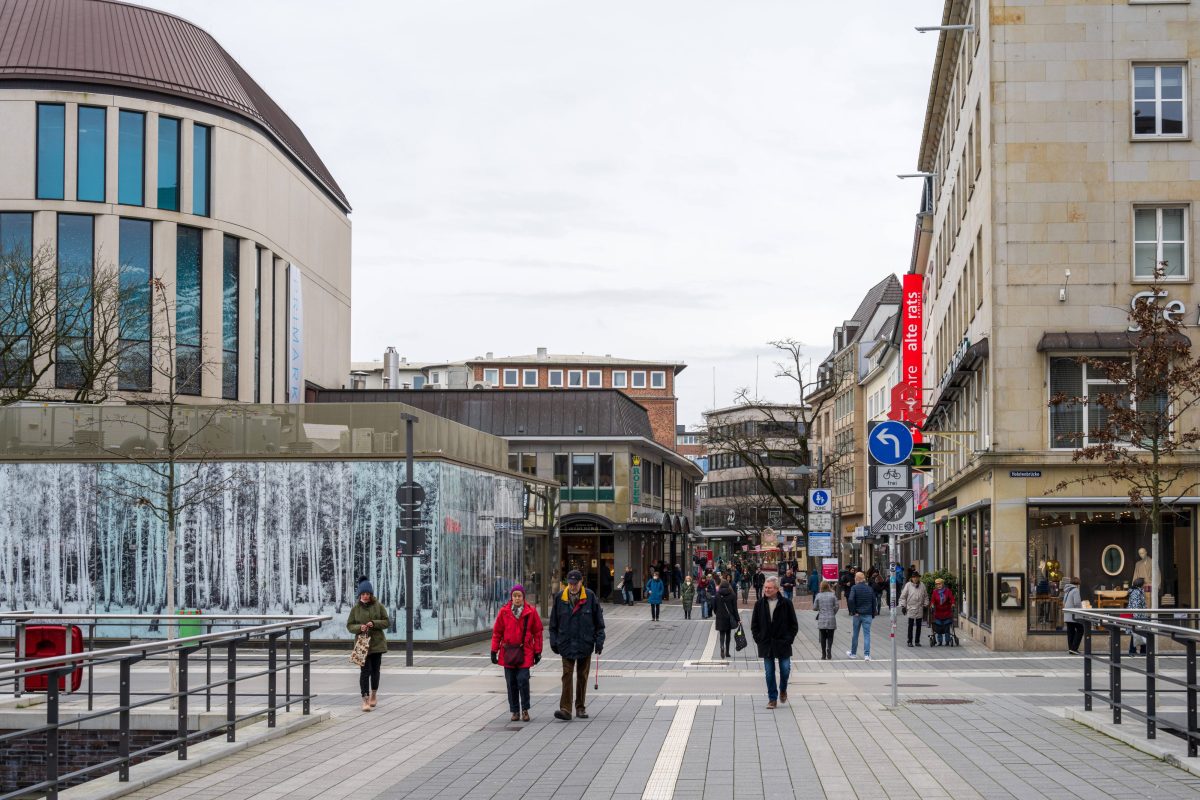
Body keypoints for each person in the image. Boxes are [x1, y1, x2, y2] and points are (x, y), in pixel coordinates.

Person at [549, 570, 606, 721]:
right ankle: (565, 709)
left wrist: (599, 641)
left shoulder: (590, 596)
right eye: (570, 583)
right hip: (566, 643)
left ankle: (580, 707)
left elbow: (599, 623)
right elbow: (553, 622)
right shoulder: (560, 597)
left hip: (584, 643)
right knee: (567, 675)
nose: (573, 586)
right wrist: (553, 641)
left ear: (581, 582)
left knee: (582, 675)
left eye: (575, 583)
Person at [490, 584, 543, 722]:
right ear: (511, 597)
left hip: (525, 651)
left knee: (523, 680)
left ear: (523, 597)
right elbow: (497, 632)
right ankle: (515, 711)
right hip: (508, 652)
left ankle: (525, 709)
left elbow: (537, 632)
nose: (517, 598)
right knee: (511, 682)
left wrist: (538, 651)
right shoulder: (504, 612)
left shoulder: (531, 612)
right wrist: (494, 650)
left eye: (519, 596)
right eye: (515, 596)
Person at [750, 576, 798, 709]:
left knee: (785, 670)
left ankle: (783, 689)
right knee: (769, 672)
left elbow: (793, 624)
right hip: (766, 643)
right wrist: (758, 638)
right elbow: (754, 625)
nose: (766, 589)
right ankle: (772, 699)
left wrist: (789, 639)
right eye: (765, 587)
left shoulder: (786, 603)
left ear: (776, 589)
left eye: (769, 588)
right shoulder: (759, 604)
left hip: (783, 643)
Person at [346, 577, 389, 712]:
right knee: (365, 672)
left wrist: (374, 623)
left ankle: (374, 694)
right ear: (360, 595)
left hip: (377, 644)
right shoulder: (355, 609)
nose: (365, 596)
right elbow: (350, 625)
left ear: (371, 595)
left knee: (375, 671)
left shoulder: (379, 606)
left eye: (367, 594)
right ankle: (364, 700)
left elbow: (387, 622)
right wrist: (360, 627)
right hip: (362, 644)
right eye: (363, 594)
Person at [846, 571, 878, 661]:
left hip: (857, 614)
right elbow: (873, 601)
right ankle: (867, 655)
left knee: (855, 634)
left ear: (857, 579)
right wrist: (873, 613)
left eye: (855, 578)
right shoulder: (869, 588)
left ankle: (853, 653)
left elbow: (851, 599)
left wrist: (853, 611)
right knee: (867, 635)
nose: (854, 579)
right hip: (867, 614)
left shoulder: (854, 588)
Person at [899, 573, 928, 647]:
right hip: (911, 607)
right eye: (914, 577)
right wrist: (903, 606)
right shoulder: (908, 585)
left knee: (919, 626)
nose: (915, 579)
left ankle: (917, 641)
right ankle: (909, 641)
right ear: (911, 578)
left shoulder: (922, 585)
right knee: (910, 625)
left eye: (917, 577)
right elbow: (903, 597)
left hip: (920, 607)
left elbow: (925, 596)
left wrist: (925, 605)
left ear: (919, 578)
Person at [813, 580, 838, 660]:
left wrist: (820, 609)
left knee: (823, 636)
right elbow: (837, 606)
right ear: (828, 586)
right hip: (831, 618)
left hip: (822, 618)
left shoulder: (818, 595)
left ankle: (823, 654)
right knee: (830, 636)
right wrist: (832, 612)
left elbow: (814, 607)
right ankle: (829, 650)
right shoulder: (832, 595)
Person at [714, 579, 739, 658]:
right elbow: (735, 609)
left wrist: (717, 612)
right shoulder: (732, 595)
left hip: (720, 616)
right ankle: (727, 652)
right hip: (729, 617)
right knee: (728, 634)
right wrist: (738, 619)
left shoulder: (717, 594)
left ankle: (721, 646)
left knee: (722, 633)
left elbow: (714, 606)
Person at [930, 577, 957, 647]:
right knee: (938, 628)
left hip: (947, 612)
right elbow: (933, 600)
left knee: (946, 627)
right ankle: (940, 641)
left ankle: (947, 641)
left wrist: (953, 603)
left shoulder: (947, 591)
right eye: (937, 584)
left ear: (943, 584)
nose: (938, 585)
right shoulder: (935, 592)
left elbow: (952, 599)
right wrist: (932, 605)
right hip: (938, 613)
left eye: (940, 584)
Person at [1062, 576, 1084, 654]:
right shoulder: (1075, 590)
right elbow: (1077, 603)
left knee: (1070, 631)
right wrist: (1082, 610)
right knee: (1081, 630)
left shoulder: (1067, 590)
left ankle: (1071, 649)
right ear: (1077, 584)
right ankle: (1074, 648)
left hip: (1067, 614)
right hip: (1074, 615)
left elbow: (1064, 602)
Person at [1128, 577, 1148, 655]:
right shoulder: (1136, 592)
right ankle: (1133, 651)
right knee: (1137, 633)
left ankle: (1141, 651)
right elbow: (1135, 606)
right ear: (1141, 584)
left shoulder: (1138, 591)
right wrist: (1135, 619)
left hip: (1141, 616)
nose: (1145, 585)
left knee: (1140, 632)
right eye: (1144, 584)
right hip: (1138, 617)